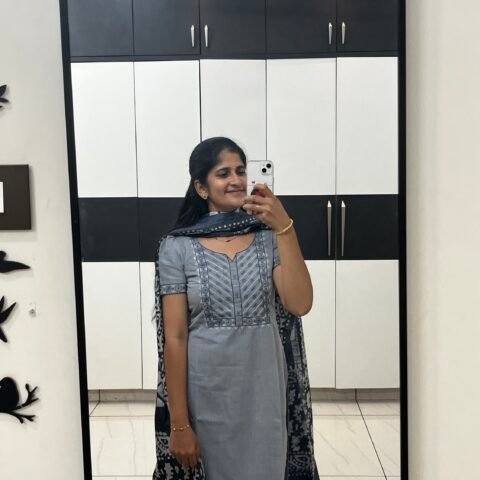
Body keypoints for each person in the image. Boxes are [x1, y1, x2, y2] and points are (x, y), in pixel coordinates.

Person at [152, 137, 319, 480]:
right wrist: (180, 424)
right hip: (206, 393)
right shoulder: (176, 247)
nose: (236, 180)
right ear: (201, 187)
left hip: (265, 393)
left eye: (240, 171)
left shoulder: (269, 237)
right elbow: (176, 338)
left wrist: (285, 228)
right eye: (223, 173)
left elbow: (299, 303)